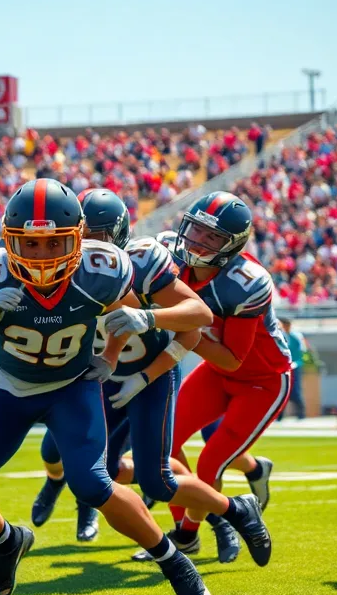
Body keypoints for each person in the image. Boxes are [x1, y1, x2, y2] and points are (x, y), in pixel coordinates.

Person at [0, 178, 218, 595]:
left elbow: (198, 313)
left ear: (78, 237)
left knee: (92, 485)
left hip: (73, 386)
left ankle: (175, 564)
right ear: (10, 241)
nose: (43, 256)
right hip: (8, 390)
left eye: (55, 244)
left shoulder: (103, 268)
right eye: (31, 244)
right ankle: (7, 542)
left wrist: (127, 336)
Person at [32, 190, 264, 562]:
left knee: (156, 479)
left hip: (149, 378)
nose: (87, 245)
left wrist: (148, 336)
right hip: (104, 377)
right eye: (79, 235)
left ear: (119, 234)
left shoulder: (142, 262)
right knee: (91, 468)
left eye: (98, 236)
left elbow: (194, 325)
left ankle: (230, 513)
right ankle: (62, 489)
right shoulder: (55, 269)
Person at [158, 192, 282, 556]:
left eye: (212, 236)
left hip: (262, 380)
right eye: (196, 229)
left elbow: (232, 359)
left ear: (232, 245)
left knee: (211, 460)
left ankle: (187, 533)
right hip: (214, 372)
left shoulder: (244, 282)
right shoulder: (169, 257)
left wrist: (179, 328)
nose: (198, 240)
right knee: (165, 442)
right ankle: (188, 533)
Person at [279, 317, 306, 419]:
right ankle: (279, 416)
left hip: (294, 367)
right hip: (283, 367)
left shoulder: (296, 337)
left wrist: (295, 363)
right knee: (282, 391)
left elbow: (301, 353)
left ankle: (301, 414)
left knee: (295, 391)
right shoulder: (280, 335)